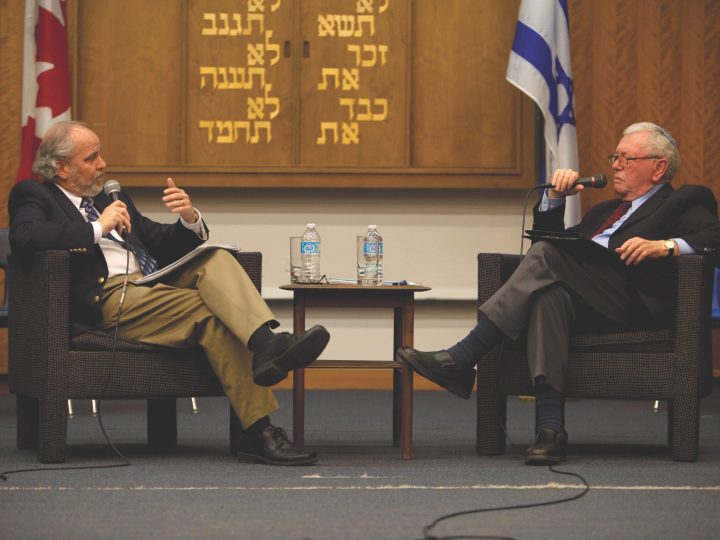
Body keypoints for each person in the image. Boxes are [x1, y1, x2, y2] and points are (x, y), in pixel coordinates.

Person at [9, 121, 330, 466]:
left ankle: (265, 342)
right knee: (213, 314)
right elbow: (25, 238)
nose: (103, 164)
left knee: (216, 257)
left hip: (152, 285)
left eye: (100, 154)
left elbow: (157, 241)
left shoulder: (110, 196)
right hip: (109, 300)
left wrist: (189, 219)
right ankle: (260, 431)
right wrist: (95, 228)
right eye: (92, 158)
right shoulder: (34, 195)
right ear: (61, 168)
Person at [398, 122, 720, 465]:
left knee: (548, 259)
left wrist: (666, 246)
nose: (615, 165)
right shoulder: (602, 212)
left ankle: (463, 356)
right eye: (615, 157)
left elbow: (714, 237)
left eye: (627, 158)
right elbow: (544, 253)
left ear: (658, 167)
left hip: (634, 303)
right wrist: (553, 199)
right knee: (546, 295)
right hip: (585, 304)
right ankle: (550, 432)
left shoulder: (686, 199)